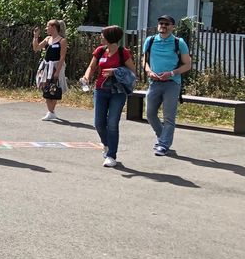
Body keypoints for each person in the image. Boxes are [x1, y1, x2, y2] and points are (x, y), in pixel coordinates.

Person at [81, 25, 137, 168]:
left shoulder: (123, 52)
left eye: (103, 35)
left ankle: (111, 155)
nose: (101, 37)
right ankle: (106, 144)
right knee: (99, 123)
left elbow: (132, 72)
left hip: (117, 92)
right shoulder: (100, 51)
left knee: (112, 123)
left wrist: (116, 71)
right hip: (100, 90)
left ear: (110, 38)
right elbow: (91, 67)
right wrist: (86, 77)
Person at [143, 15, 192, 156]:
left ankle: (163, 144)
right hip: (154, 82)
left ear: (172, 26)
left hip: (172, 83)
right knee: (150, 114)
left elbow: (187, 64)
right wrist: (149, 71)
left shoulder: (179, 42)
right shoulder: (150, 40)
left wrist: (171, 73)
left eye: (166, 24)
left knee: (168, 116)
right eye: (160, 23)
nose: (163, 26)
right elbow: (144, 61)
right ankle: (162, 137)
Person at [32, 19, 69, 122]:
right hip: (47, 66)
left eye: (48, 26)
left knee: (54, 88)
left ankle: (51, 112)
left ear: (53, 27)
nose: (46, 28)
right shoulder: (48, 39)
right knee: (45, 86)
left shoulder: (62, 41)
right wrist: (35, 37)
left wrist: (57, 72)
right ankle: (51, 112)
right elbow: (36, 48)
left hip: (56, 66)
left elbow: (62, 57)